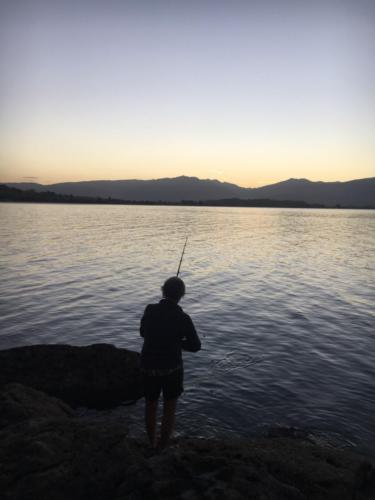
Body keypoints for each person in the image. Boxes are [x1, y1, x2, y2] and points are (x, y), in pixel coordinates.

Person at [140, 276, 201, 449]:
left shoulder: (150, 310)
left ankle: (150, 443)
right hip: (171, 369)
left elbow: (143, 332)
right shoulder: (183, 318)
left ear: (163, 291)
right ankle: (162, 446)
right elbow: (195, 346)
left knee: (150, 405)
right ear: (182, 295)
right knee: (169, 407)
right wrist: (178, 343)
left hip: (148, 366)